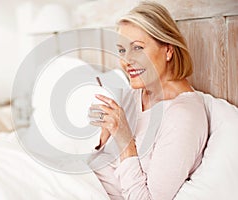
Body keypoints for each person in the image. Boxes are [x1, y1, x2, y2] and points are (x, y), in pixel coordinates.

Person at [89, 1, 208, 199]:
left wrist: (124, 139)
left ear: (168, 50)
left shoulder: (184, 116)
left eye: (137, 48)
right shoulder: (134, 94)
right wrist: (103, 138)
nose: (126, 60)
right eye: (121, 50)